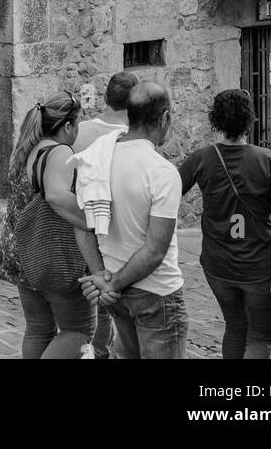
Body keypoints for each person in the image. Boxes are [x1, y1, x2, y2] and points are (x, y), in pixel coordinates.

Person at [179, 88, 271, 360]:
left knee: (235, 329)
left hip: (217, 265)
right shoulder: (267, 160)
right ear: (250, 121)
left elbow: (166, 191)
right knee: (260, 338)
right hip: (259, 266)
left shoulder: (200, 159)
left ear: (216, 121)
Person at [79, 81, 187, 360]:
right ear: (164, 118)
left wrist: (103, 277)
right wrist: (111, 285)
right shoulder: (161, 172)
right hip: (155, 293)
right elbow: (154, 251)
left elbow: (82, 224)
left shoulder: (96, 160)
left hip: (115, 287)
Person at [0, 91, 97, 358]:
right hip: (52, 255)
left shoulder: (26, 146)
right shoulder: (59, 151)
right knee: (79, 329)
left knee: (39, 329)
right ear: (67, 126)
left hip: (20, 251)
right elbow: (56, 195)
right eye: (78, 124)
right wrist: (94, 220)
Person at [73, 70, 138, 359]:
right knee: (114, 312)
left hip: (78, 230)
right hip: (117, 236)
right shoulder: (132, 138)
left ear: (106, 96)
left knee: (87, 308)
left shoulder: (80, 131)